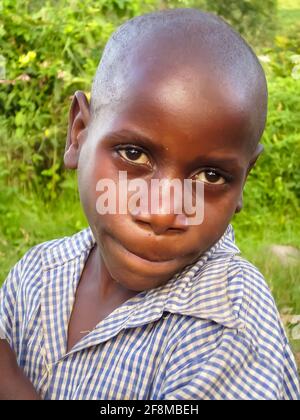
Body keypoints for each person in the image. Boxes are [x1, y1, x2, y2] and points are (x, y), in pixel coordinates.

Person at [0, 8, 299, 400]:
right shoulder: (38, 274)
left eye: (210, 176)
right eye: (133, 154)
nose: (161, 213)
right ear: (79, 135)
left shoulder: (228, 321)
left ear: (244, 177)